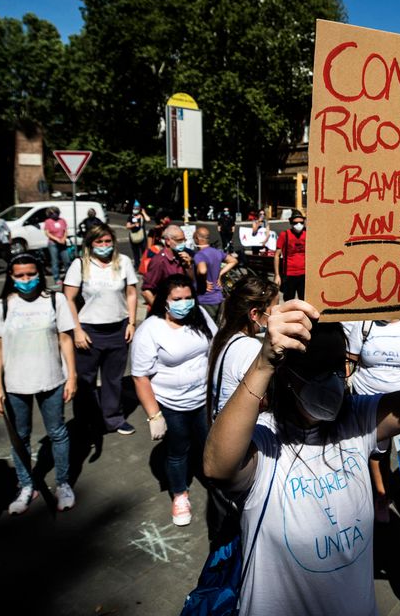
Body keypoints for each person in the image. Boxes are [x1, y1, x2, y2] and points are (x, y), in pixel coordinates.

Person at [203, 295, 400, 615]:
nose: (329, 378)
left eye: (336, 365)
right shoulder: (266, 440)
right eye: (315, 368)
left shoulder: (356, 418)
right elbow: (217, 466)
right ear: (287, 374)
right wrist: (264, 362)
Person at [0, 253, 78, 514]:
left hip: (52, 380)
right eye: (20, 275)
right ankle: (27, 486)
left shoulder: (55, 301)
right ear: (11, 277)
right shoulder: (2, 306)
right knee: (20, 437)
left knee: (58, 433)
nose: (26, 280)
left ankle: (63, 483)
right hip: (15, 384)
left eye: (31, 274)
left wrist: (72, 376)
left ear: (40, 274)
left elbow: (66, 340)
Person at [132, 274, 217, 526]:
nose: (185, 303)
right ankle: (180, 493)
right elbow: (140, 377)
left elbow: (216, 346)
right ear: (164, 302)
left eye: (188, 297)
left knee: (211, 445)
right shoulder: (151, 329)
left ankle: (219, 485)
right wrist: (154, 414)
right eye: (177, 299)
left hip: (203, 400)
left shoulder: (200, 315)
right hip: (171, 405)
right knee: (178, 450)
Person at [343, 315, 400, 522]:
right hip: (368, 405)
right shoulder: (363, 323)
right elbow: (350, 361)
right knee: (376, 453)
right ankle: (381, 497)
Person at [63, 225, 140, 437]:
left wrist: (131, 323)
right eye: (99, 242)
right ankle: (85, 422)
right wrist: (77, 330)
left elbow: (131, 293)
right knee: (85, 380)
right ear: (90, 244)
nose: (105, 246)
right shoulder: (80, 265)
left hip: (118, 329)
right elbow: (68, 298)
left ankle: (113, 419)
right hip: (89, 331)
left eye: (108, 242)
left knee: (113, 379)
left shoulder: (123, 262)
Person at [207, 274, 279, 417]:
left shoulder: (224, 335)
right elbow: (263, 400)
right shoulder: (249, 348)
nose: (276, 317)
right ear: (254, 314)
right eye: (273, 311)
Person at [142, 224, 194, 310]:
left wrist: (188, 266)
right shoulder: (159, 261)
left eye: (184, 240)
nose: (183, 243)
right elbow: (146, 291)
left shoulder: (181, 257)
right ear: (168, 241)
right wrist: (161, 311)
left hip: (183, 307)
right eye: (179, 240)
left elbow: (191, 282)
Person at [193, 226, 237, 321]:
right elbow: (233, 260)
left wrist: (203, 281)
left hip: (205, 299)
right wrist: (220, 273)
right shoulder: (217, 252)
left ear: (197, 238)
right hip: (218, 297)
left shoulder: (199, 255)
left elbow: (202, 270)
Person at [274, 211, 307, 301]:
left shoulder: (307, 234)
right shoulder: (284, 235)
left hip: (305, 274)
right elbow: (277, 255)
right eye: (296, 223)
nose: (299, 225)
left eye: (301, 222)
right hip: (289, 275)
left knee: (304, 300)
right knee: (289, 301)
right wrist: (277, 275)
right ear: (291, 223)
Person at [42, 207, 70, 285]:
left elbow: (65, 231)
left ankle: (69, 276)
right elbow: (47, 233)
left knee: (67, 260)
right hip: (53, 243)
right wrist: (57, 239)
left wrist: (64, 238)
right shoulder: (48, 221)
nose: (54, 214)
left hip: (63, 242)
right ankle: (56, 278)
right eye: (51, 213)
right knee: (55, 261)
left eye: (55, 213)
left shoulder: (62, 220)